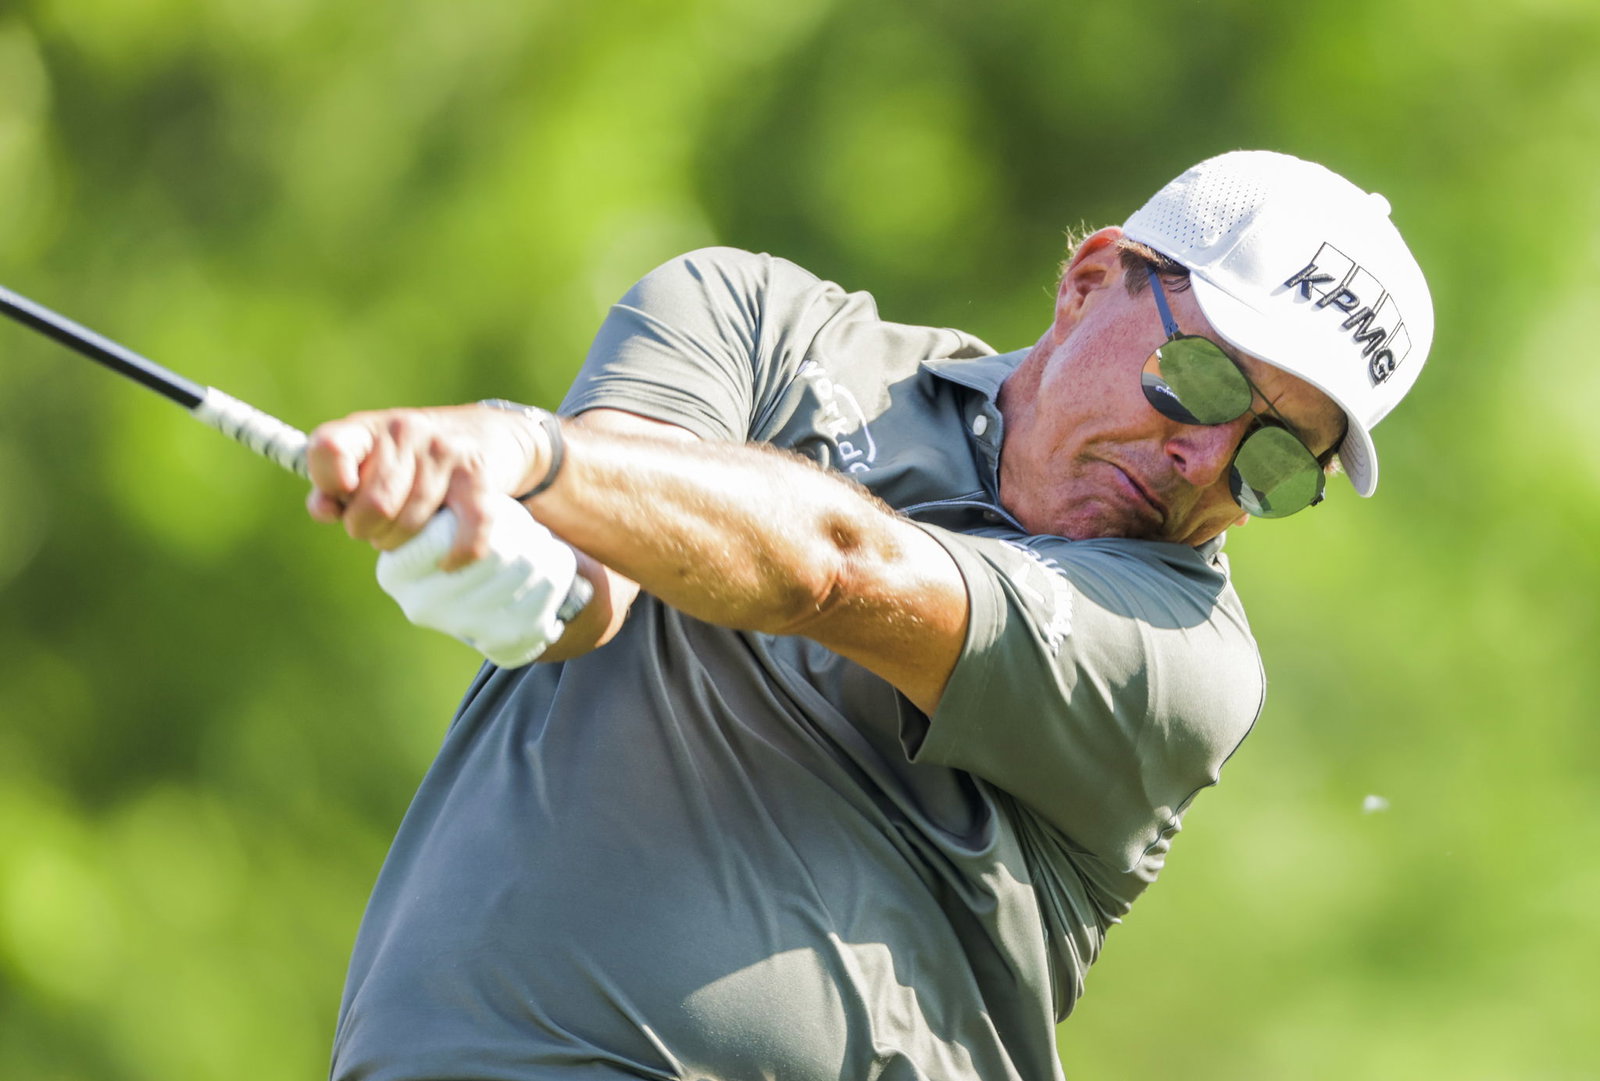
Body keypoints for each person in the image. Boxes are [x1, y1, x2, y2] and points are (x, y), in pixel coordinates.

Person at [305, 150, 1433, 1081]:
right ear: (1091, 280)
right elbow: (597, 567)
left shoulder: (1188, 656)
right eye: (1206, 379)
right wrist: (502, 555)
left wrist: (524, 453)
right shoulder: (761, 321)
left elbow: (835, 570)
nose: (1207, 460)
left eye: (1277, 460)